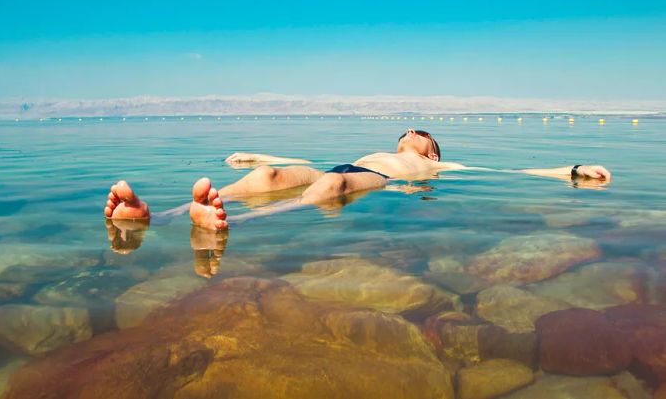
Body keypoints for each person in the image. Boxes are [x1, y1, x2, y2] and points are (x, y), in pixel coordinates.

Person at [103, 128, 611, 231]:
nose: (410, 132)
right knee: (272, 174)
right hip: (342, 165)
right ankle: (157, 216)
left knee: (329, 189)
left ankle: (223, 222)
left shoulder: (437, 167)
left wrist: (570, 170)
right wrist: (255, 154)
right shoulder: (380, 148)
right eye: (407, 130)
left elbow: (508, 171)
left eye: (420, 134)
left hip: (365, 179)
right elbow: (304, 157)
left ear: (430, 150)